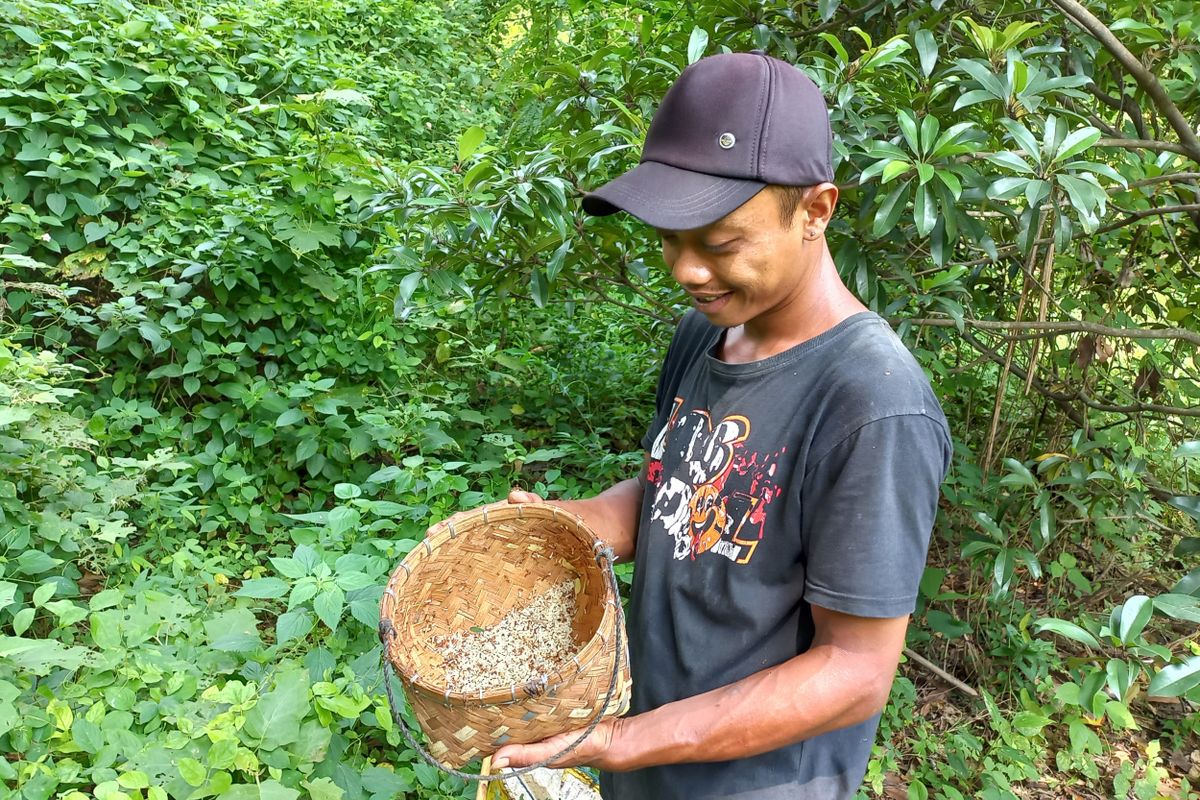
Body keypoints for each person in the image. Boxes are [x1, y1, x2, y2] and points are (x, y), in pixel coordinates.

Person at [483, 51, 952, 799]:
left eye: (721, 242)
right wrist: (568, 529)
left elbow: (854, 671)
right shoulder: (706, 332)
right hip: (649, 759)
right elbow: (678, 491)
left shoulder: (871, 402)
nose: (686, 270)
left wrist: (623, 740)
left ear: (816, 211)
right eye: (670, 237)